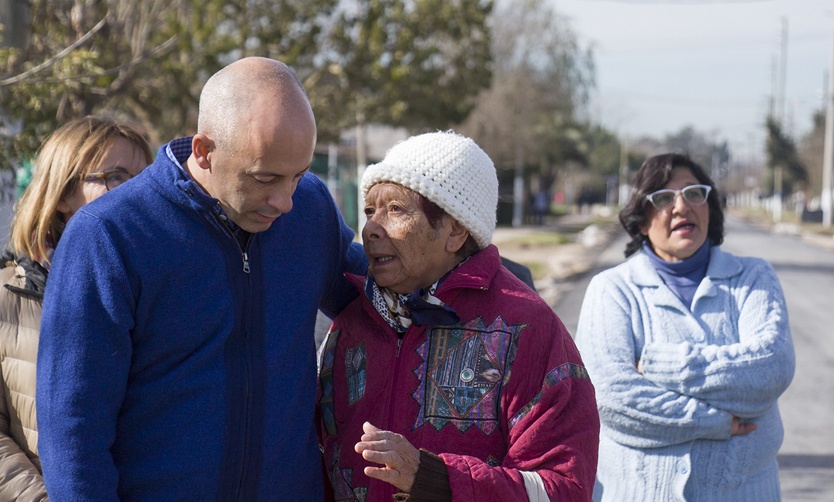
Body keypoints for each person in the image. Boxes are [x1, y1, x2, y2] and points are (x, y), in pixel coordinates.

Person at [36, 57, 367, 500]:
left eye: (298, 175)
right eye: (265, 177)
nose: (285, 200)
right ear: (204, 151)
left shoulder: (311, 211)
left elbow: (387, 290)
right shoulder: (109, 236)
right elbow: (74, 433)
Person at [317, 131, 599, 501]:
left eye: (396, 210)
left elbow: (564, 488)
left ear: (455, 230)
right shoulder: (352, 324)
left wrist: (435, 479)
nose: (371, 228)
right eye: (370, 210)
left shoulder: (527, 329)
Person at [575, 153, 795, 501]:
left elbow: (770, 370)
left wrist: (659, 365)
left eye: (694, 193)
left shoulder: (753, 278)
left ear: (710, 206)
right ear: (642, 221)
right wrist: (716, 422)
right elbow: (610, 398)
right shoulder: (612, 290)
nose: (681, 207)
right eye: (663, 198)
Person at [0, 116, 152, 501]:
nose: (135, 193)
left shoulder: (168, 290)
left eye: (145, 178)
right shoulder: (6, 299)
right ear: (63, 194)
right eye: (115, 176)